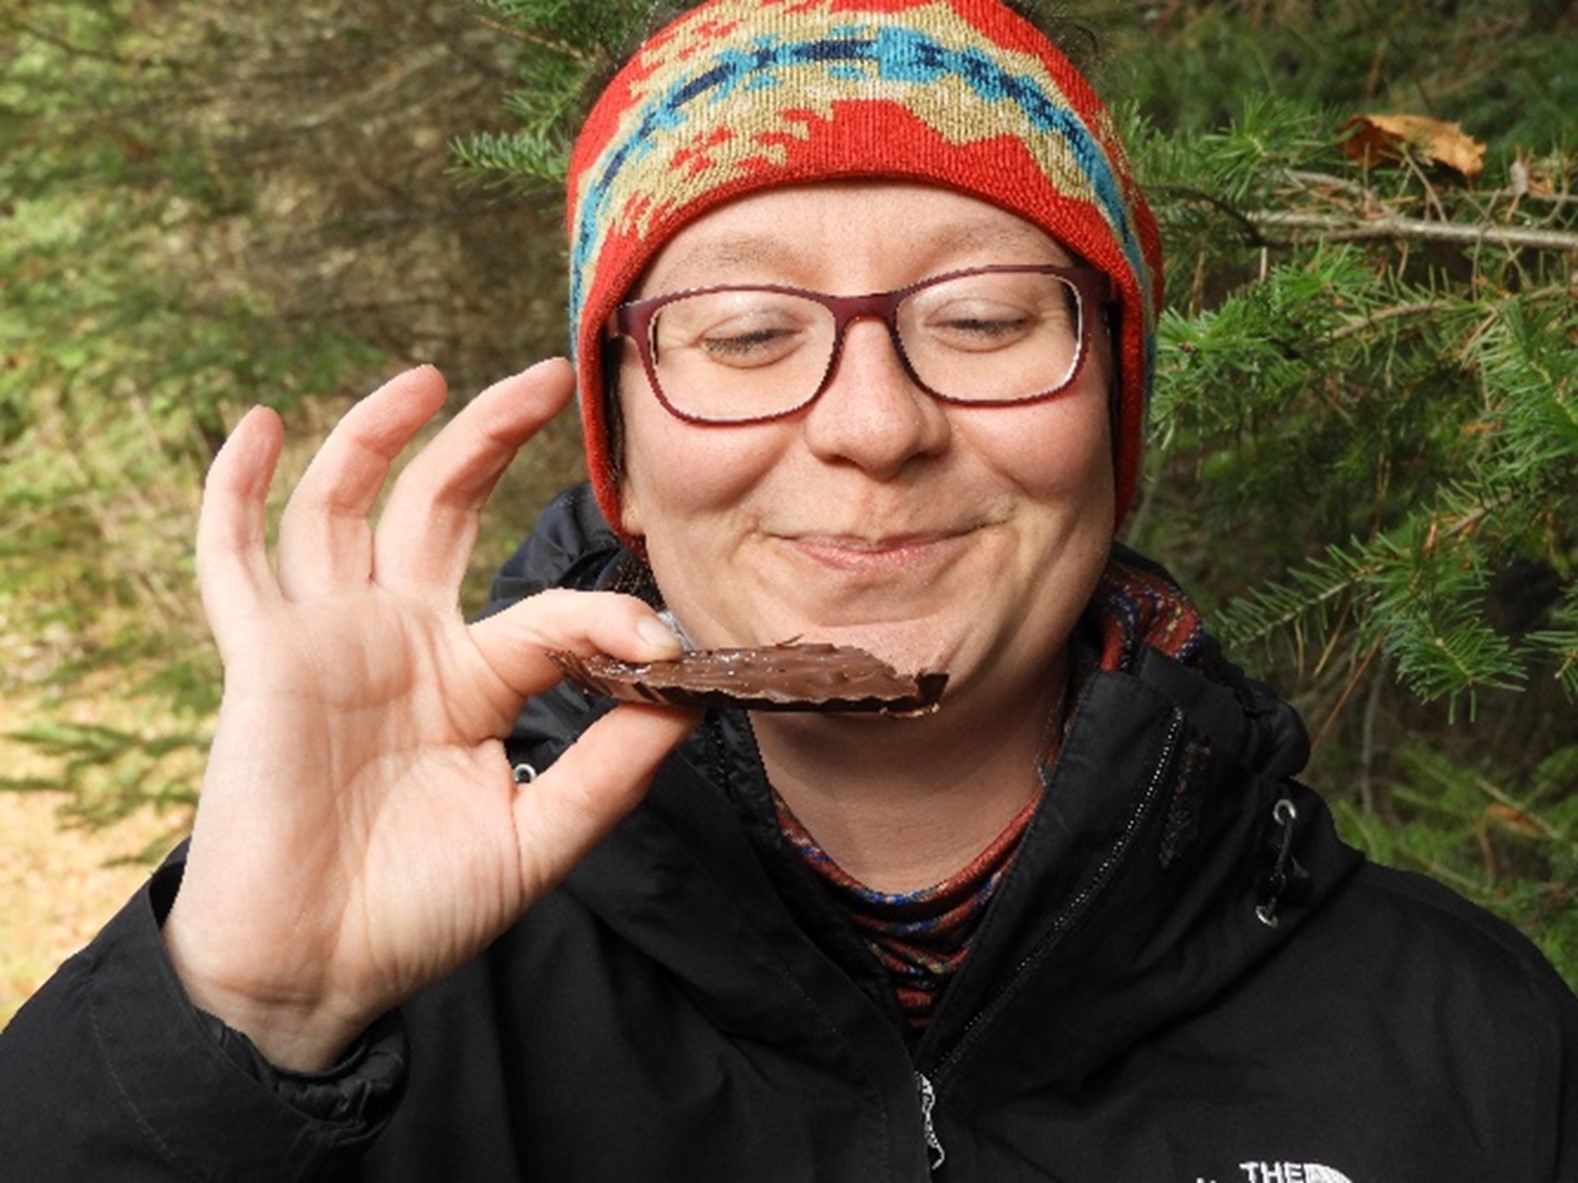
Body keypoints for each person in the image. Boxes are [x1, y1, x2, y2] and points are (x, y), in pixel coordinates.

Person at [2, 0, 1575, 1178]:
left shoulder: (1464, 1045)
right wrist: (226, 1027)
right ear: (620, 435)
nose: (874, 426)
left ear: (1115, 401)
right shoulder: (358, 1016)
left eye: (983, 318)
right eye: (746, 336)